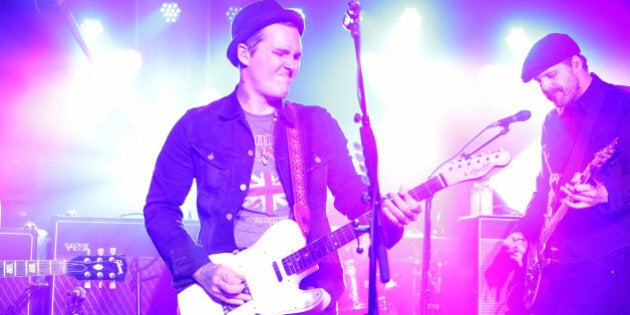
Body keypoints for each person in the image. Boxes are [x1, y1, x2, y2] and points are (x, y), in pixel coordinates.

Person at [143, 1, 422, 314]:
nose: (291, 64)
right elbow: (160, 209)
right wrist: (201, 269)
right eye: (280, 53)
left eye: (296, 55)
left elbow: (354, 201)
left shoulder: (316, 125)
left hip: (307, 290)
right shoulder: (199, 126)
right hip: (232, 296)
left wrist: (389, 215)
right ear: (244, 53)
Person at [503, 33, 630, 314]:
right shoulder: (552, 122)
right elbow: (544, 189)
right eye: (539, 82)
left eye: (551, 75)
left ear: (576, 64)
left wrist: (608, 193)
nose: (546, 87)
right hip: (554, 259)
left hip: (607, 256)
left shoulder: (622, 104)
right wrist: (524, 232)